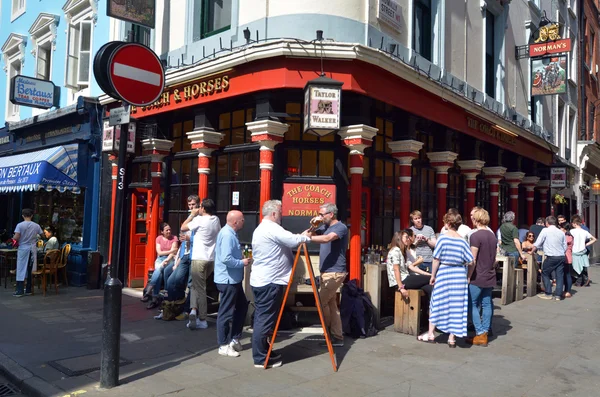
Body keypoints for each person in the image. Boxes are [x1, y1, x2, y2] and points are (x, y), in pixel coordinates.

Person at [250, 200, 311, 369]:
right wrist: (306, 236)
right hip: (270, 281)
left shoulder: (262, 228)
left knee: (265, 319)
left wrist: (302, 235)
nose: (282, 215)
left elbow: (289, 239)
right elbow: (292, 241)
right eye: (281, 212)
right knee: (264, 320)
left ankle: (265, 351)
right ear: (274, 213)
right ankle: (261, 358)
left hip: (264, 279)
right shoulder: (271, 228)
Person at [417, 212, 474, 347]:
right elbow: (471, 261)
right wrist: (467, 275)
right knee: (456, 305)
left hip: (444, 272)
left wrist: (433, 275)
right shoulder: (462, 240)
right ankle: (452, 338)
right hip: (459, 274)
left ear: (448, 223)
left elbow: (436, 259)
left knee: (436, 301)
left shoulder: (442, 239)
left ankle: (431, 333)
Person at [307, 203, 348, 347]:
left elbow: (326, 239)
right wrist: (313, 226)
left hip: (335, 272)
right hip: (326, 272)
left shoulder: (340, 227)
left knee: (320, 302)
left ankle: (329, 333)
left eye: (322, 214)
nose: (320, 216)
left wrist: (307, 239)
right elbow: (308, 234)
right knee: (331, 306)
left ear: (331, 214)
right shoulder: (325, 227)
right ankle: (337, 337)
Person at [214, 211, 251, 358]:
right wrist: (242, 262)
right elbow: (226, 258)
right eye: (242, 220)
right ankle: (223, 345)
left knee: (242, 306)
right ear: (235, 222)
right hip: (227, 280)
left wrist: (240, 257)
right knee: (226, 312)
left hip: (233, 279)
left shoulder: (231, 233)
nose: (244, 222)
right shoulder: (228, 235)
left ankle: (234, 338)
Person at [181, 198, 221, 330]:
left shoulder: (198, 220)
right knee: (195, 285)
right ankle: (193, 311)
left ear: (202, 208)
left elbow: (183, 227)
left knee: (200, 288)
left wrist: (192, 215)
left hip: (198, 258)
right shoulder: (216, 220)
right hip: (211, 259)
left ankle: (202, 318)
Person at [466, 208, 497, 347]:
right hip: (490, 274)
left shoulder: (475, 236)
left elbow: (472, 259)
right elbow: (494, 258)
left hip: (478, 275)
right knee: (486, 303)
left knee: (472, 304)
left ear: (476, 219)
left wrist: (468, 276)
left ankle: (479, 332)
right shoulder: (492, 236)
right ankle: (485, 331)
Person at [386, 231, 431, 299]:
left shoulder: (401, 251)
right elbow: (396, 269)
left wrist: (428, 274)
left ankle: (430, 307)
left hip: (404, 278)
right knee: (431, 279)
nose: (408, 239)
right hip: (402, 280)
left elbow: (410, 266)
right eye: (406, 237)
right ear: (399, 238)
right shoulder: (396, 250)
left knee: (429, 287)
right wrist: (401, 288)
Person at [531, 216, 567, 300]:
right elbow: (564, 246)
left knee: (545, 272)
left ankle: (548, 292)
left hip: (551, 256)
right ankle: (558, 295)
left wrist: (532, 251)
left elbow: (538, 243)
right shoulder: (561, 232)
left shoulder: (545, 230)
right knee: (559, 275)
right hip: (561, 256)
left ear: (547, 223)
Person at [145, 222, 179, 309]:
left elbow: (174, 253)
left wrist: (167, 259)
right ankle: (156, 297)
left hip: (170, 259)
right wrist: (171, 251)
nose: (169, 231)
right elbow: (159, 252)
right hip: (160, 259)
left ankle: (151, 291)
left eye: (170, 229)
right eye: (166, 230)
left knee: (160, 270)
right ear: (162, 232)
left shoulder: (174, 238)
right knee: (159, 272)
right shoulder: (159, 238)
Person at [12, 209, 43, 297]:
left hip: (23, 248)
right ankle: (28, 289)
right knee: (30, 269)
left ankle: (20, 290)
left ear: (23, 216)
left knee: (21, 269)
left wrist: (14, 238)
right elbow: (42, 235)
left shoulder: (20, 225)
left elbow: (16, 237)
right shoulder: (36, 225)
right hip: (32, 249)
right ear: (32, 215)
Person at [571, 215, 597, 287]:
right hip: (583, 251)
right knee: (583, 265)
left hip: (575, 251)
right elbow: (594, 239)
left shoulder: (572, 231)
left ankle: (579, 281)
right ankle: (585, 281)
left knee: (576, 266)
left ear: (574, 223)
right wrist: (586, 244)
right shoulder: (585, 232)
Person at [559, 223, 573, 298]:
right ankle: (566, 290)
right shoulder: (569, 236)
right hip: (566, 257)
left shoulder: (567, 237)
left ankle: (568, 291)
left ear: (564, 229)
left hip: (567, 258)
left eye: (560, 228)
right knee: (565, 275)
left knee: (567, 275)